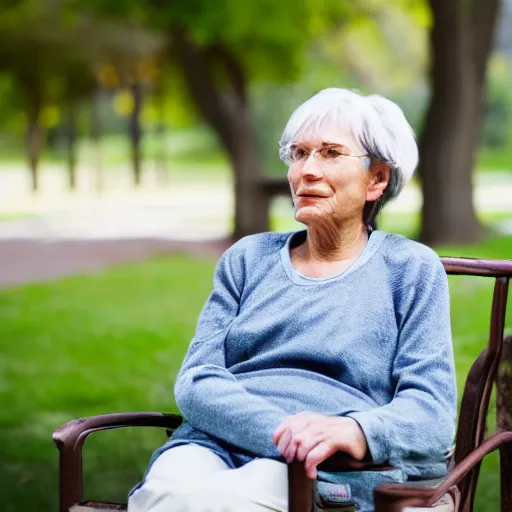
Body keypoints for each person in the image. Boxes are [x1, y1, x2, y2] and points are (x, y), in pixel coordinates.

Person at [127, 88, 457, 512]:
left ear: (376, 179)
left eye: (331, 153)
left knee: (224, 501)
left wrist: (354, 431)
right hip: (213, 443)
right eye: (299, 154)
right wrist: (281, 432)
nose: (308, 170)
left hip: (325, 467)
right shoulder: (247, 259)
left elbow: (430, 411)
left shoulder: (409, 268)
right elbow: (198, 380)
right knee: (165, 495)